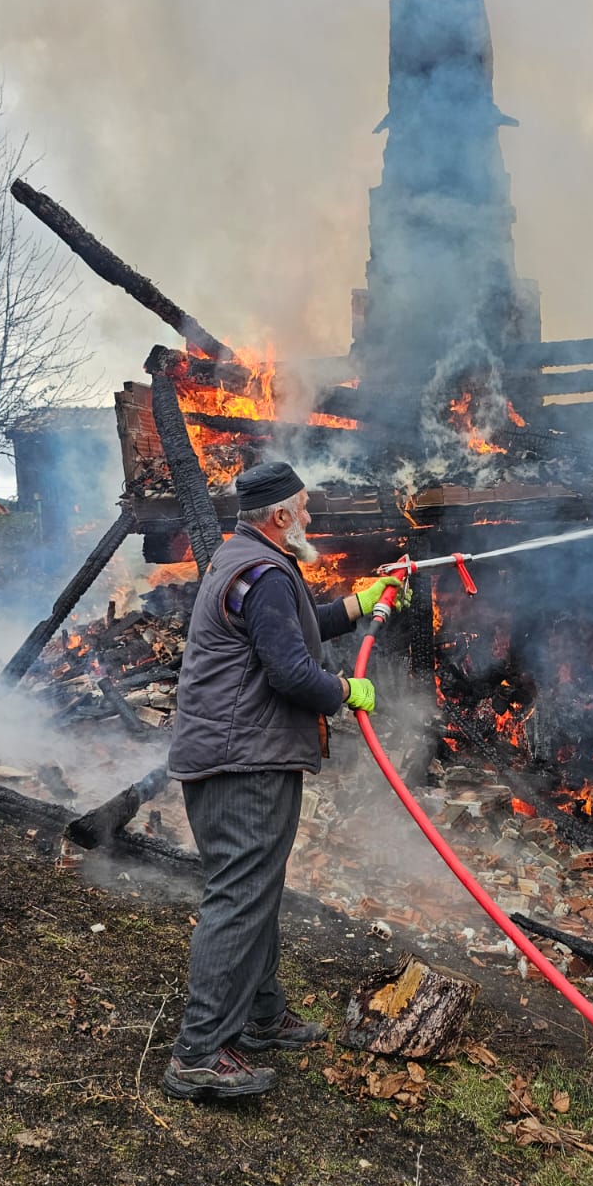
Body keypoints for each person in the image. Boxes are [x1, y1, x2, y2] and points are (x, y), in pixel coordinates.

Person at [161, 460, 407, 1101]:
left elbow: (287, 628)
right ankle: (198, 1051)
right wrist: (345, 690)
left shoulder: (245, 559)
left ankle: (262, 1016)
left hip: (240, 756)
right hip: (242, 762)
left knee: (256, 888)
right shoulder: (265, 572)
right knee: (240, 895)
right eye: (304, 507)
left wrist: (357, 604)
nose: (310, 517)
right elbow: (292, 673)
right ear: (280, 517)